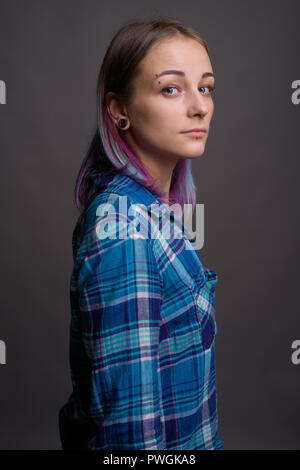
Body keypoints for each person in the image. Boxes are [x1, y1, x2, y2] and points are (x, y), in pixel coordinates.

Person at [58, 17, 223, 450]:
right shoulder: (127, 233)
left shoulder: (148, 214)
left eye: (204, 87)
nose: (200, 106)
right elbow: (131, 438)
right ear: (120, 110)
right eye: (171, 88)